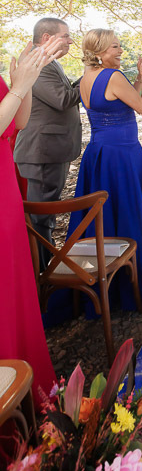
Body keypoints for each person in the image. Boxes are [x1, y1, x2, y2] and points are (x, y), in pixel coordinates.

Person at [66, 29, 142, 311]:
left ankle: (106, 283)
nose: (120, 50)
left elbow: (122, 100)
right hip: (123, 155)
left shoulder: (86, 78)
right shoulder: (113, 76)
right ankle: (135, 284)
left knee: (104, 216)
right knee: (129, 211)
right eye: (115, 46)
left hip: (99, 154)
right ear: (100, 51)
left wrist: (136, 80)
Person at [0, 36, 64, 400]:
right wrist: (18, 88)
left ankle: (24, 380)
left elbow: (18, 122)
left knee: (14, 285)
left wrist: (23, 84)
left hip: (7, 192)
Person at [14, 17, 82, 266]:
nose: (70, 41)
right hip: (42, 151)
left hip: (50, 150)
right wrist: (91, 78)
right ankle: (42, 273)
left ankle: (45, 267)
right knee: (41, 217)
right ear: (46, 38)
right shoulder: (37, 62)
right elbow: (63, 100)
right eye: (65, 36)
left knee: (46, 214)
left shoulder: (48, 62)